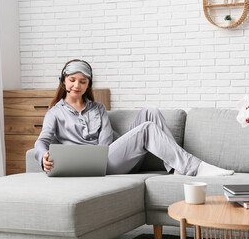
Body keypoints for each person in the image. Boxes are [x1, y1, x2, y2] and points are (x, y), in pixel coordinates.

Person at [34, 59, 234, 176]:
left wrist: (122, 144)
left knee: (150, 111)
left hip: (111, 157)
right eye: (72, 80)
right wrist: (43, 157)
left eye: (83, 81)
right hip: (96, 166)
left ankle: (176, 168)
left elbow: (105, 144)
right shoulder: (55, 113)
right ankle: (194, 168)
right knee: (146, 128)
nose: (76, 85)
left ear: (88, 85)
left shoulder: (98, 108)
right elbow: (41, 141)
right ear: (63, 82)